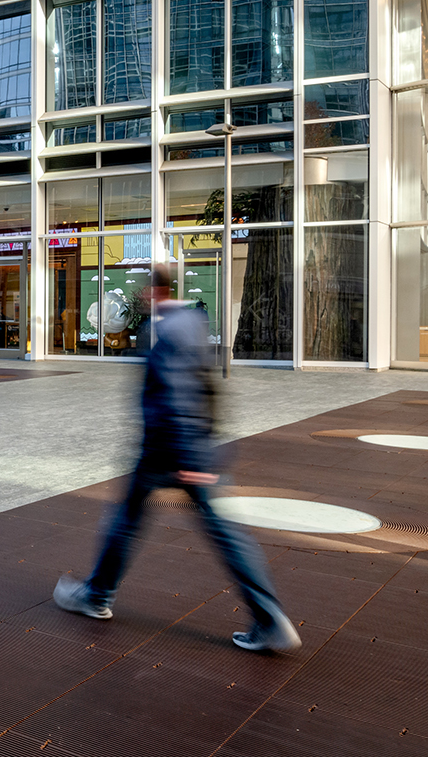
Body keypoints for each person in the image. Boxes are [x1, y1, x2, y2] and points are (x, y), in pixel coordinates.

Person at [53, 263, 300, 652]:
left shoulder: (165, 331)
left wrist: (190, 458)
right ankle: (269, 618)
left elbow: (176, 394)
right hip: (191, 446)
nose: (139, 300)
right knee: (211, 530)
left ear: (156, 293)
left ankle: (98, 595)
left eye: (143, 294)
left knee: (132, 521)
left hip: (169, 451)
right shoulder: (192, 322)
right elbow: (208, 389)